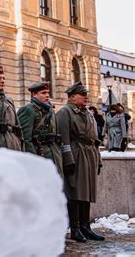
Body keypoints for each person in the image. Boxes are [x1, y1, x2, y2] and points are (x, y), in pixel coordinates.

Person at [56, 81, 104, 243]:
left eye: (86, 95)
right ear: (72, 97)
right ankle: (75, 228)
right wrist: (68, 160)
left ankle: (86, 226)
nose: (85, 97)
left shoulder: (88, 113)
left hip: (89, 154)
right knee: (75, 192)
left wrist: (98, 159)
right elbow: (64, 139)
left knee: (87, 192)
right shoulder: (65, 112)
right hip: (76, 154)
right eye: (82, 95)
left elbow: (94, 139)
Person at [17, 82, 62, 176]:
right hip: (39, 154)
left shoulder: (50, 111)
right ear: (34, 94)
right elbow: (25, 139)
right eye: (43, 93)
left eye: (48, 93)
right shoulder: (28, 110)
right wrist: (34, 159)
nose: (47, 95)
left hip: (54, 155)